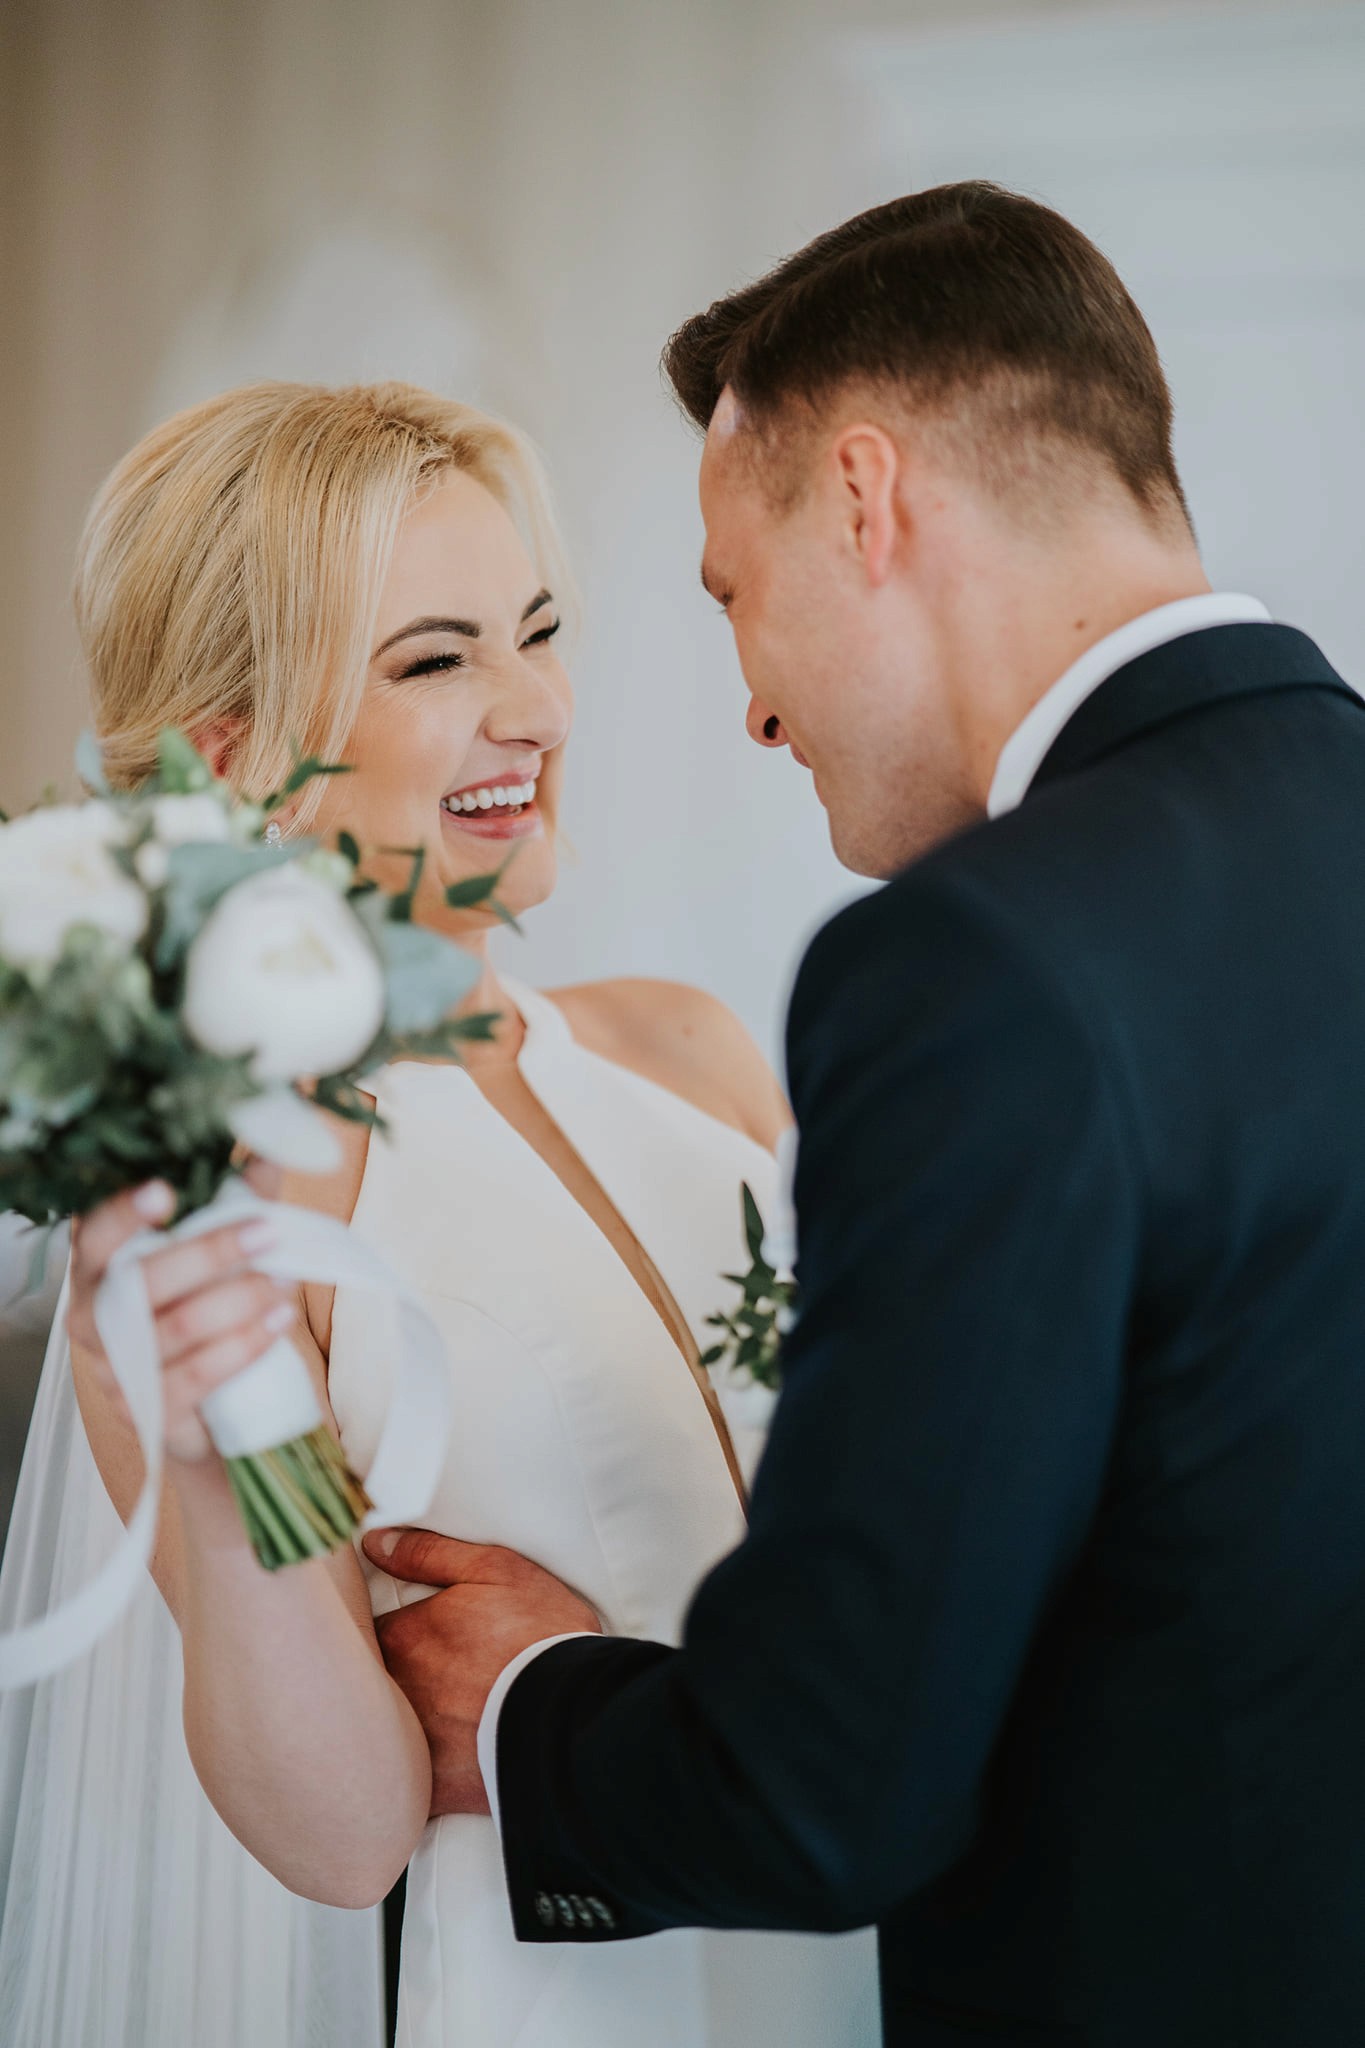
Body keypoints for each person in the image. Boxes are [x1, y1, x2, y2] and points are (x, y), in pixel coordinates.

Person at [360, 184, 1365, 2046]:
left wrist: (532, 1710)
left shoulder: (976, 969)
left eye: (733, 595)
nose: (750, 707)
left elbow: (830, 1788)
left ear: (866, 499)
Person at [0, 381, 879, 2047]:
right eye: (432, 659)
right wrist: (206, 1447)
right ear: (233, 754)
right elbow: (336, 1836)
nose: (532, 708)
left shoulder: (689, 1052)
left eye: (534, 632)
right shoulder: (236, 1202)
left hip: (848, 1934)